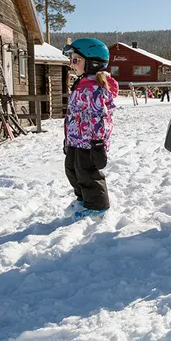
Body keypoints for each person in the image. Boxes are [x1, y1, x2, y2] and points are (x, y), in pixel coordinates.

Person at [63, 38, 119, 219]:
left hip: (90, 141)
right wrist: (67, 138)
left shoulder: (94, 88)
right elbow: (73, 114)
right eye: (71, 60)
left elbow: (99, 118)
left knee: (87, 174)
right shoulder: (82, 84)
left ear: (92, 62)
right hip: (76, 138)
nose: (72, 64)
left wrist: (98, 143)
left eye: (75, 60)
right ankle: (83, 199)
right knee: (72, 169)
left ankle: (97, 206)